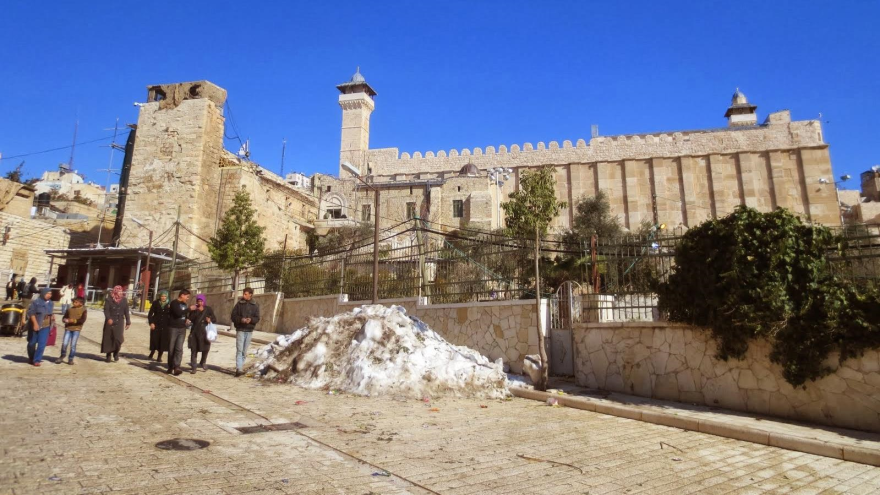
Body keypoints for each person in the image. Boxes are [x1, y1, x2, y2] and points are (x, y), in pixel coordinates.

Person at [231, 287, 260, 377]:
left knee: (244, 350)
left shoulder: (255, 305)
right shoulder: (239, 304)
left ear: (250, 294)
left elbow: (257, 318)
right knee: (239, 350)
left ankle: (241, 367)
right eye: (243, 294)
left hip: (249, 330)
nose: (244, 295)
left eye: (246, 294)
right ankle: (238, 369)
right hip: (240, 329)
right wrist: (241, 320)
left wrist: (250, 320)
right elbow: (233, 316)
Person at [101, 285, 131, 362]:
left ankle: (116, 352)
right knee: (109, 338)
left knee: (118, 339)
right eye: (118, 291)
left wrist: (128, 321)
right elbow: (106, 310)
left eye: (121, 291)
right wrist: (108, 318)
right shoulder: (109, 299)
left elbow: (126, 311)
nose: (120, 293)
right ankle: (108, 354)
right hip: (110, 321)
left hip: (119, 321)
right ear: (115, 291)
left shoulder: (124, 300)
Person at [187, 294, 216, 374]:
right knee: (194, 349)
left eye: (201, 301)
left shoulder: (208, 309)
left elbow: (214, 319)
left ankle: (203, 362)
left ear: (204, 301)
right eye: (198, 301)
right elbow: (190, 319)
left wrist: (209, 320)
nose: (199, 303)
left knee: (206, 349)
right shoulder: (194, 310)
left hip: (205, 332)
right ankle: (194, 367)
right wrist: (189, 318)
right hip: (195, 332)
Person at [25, 288, 54, 367]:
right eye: (47, 293)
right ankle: (31, 357)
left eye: (50, 294)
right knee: (32, 343)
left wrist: (52, 320)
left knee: (42, 344)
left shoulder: (51, 303)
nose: (49, 295)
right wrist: (35, 324)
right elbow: (31, 313)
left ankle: (37, 360)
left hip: (45, 326)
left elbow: (51, 313)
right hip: (35, 324)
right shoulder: (36, 302)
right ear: (43, 293)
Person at [55, 297, 87, 365]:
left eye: (76, 302)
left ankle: (71, 358)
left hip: (76, 329)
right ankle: (62, 355)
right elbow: (64, 317)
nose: (74, 303)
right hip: (68, 329)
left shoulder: (83, 310)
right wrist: (64, 320)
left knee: (73, 345)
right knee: (65, 343)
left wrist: (74, 321)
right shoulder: (69, 309)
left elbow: (82, 320)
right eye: (73, 302)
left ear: (81, 303)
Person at [167, 289, 191, 376]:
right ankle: (170, 366)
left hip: (182, 329)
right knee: (171, 348)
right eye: (187, 296)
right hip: (173, 328)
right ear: (182, 295)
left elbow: (184, 315)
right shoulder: (174, 303)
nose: (187, 298)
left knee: (179, 348)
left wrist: (187, 319)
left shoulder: (184, 304)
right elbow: (178, 313)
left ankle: (177, 367)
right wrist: (189, 309)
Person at [147, 290, 172, 362]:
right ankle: (152, 351)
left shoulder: (169, 304)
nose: (163, 298)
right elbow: (150, 314)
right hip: (156, 324)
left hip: (165, 325)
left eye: (164, 296)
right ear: (159, 296)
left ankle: (159, 356)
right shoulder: (155, 303)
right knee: (154, 339)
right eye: (162, 296)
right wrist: (151, 323)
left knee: (163, 341)